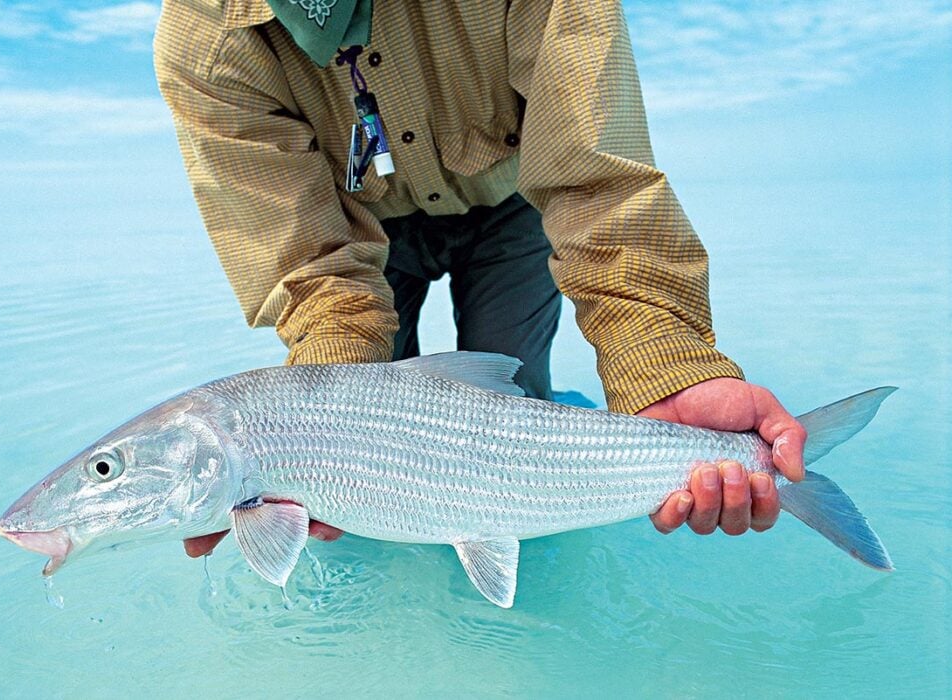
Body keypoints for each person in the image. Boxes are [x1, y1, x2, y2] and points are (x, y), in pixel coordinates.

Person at [152, 0, 807, 558]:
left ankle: (545, 511)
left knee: (515, 401)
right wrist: (321, 438)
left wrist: (667, 362)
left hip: (515, 203)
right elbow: (310, 266)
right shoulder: (205, 42)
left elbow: (594, 174)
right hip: (362, 236)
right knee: (361, 476)